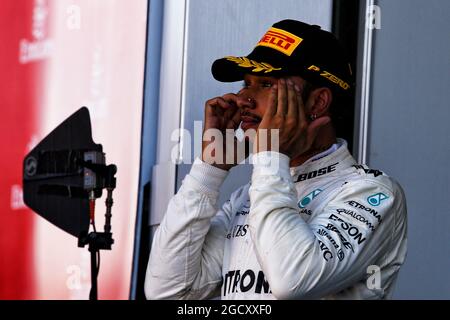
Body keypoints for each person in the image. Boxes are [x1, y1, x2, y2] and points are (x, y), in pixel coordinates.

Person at [144, 19, 407, 300]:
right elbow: (168, 292)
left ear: (318, 103)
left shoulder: (373, 192)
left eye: (266, 84)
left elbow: (291, 281)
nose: (243, 98)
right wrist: (208, 171)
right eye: (246, 83)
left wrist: (271, 155)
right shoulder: (246, 197)